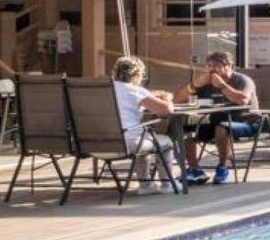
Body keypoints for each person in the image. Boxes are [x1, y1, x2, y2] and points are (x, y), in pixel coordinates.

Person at [184, 50, 259, 186]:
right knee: (186, 128)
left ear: (229, 66)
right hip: (214, 120)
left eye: (216, 65)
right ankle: (194, 170)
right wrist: (193, 85)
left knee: (222, 128)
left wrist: (222, 86)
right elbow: (178, 99)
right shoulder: (207, 82)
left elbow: (243, 100)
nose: (212, 69)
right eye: (209, 65)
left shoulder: (242, 80)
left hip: (246, 121)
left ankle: (223, 167)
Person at [111, 56, 180, 188]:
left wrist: (150, 94)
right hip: (128, 142)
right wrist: (168, 99)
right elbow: (166, 110)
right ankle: (166, 184)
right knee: (165, 141)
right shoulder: (135, 91)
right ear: (135, 75)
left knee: (143, 139)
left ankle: (146, 184)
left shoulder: (102, 89)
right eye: (142, 75)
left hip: (95, 144)